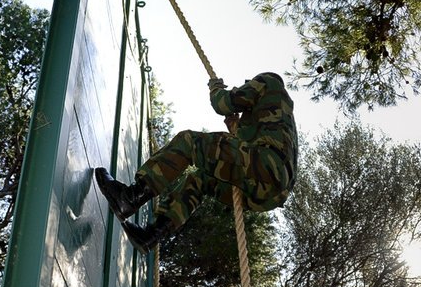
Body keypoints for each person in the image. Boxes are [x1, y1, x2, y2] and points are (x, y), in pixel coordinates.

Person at [95, 71, 297, 253]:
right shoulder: (282, 113)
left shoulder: (267, 81)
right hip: (269, 194)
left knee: (189, 142)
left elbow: (223, 103)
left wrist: (216, 87)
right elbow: (248, 144)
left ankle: (130, 197)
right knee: (200, 179)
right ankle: (151, 235)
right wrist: (235, 125)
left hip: (265, 164)